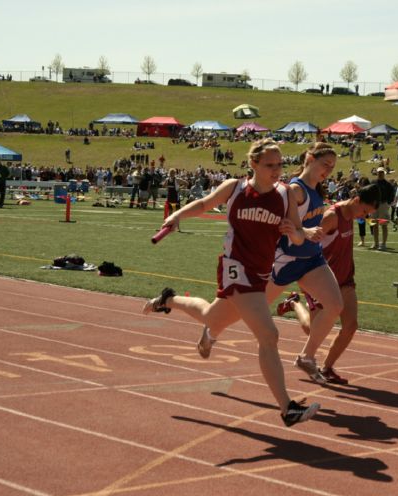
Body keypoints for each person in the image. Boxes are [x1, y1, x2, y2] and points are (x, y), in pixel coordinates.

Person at [141, 139, 319, 427]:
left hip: (261, 273)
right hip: (235, 267)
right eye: (269, 165)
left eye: (280, 165)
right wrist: (175, 216)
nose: (276, 170)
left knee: (212, 316)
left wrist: (293, 233)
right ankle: (288, 408)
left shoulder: (286, 195)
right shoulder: (236, 188)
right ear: (253, 165)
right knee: (269, 335)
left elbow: (298, 235)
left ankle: (167, 300)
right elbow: (203, 204)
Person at [276, 184, 380, 384]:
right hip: (321, 280)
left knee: (351, 326)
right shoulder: (332, 217)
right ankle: (294, 304)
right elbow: (308, 242)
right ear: (356, 200)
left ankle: (327, 367)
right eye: (365, 211)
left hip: (346, 279)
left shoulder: (351, 216)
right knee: (314, 329)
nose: (364, 217)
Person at [370, 167, 396, 250]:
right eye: (379, 172)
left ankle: (383, 244)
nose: (380, 174)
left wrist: (388, 203)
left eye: (382, 172)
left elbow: (392, 195)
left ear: (384, 173)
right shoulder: (373, 182)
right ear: (377, 173)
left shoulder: (388, 184)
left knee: (384, 225)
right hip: (374, 205)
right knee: (374, 225)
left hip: (383, 205)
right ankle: (376, 243)